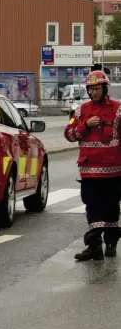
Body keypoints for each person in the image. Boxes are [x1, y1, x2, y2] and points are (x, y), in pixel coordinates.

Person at [64, 70, 121, 260]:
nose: (94, 92)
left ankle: (111, 243)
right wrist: (85, 126)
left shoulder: (118, 109)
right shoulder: (80, 110)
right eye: (91, 89)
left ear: (105, 88)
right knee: (92, 206)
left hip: (114, 170)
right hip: (89, 171)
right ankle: (94, 245)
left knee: (112, 207)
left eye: (97, 88)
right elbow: (69, 134)